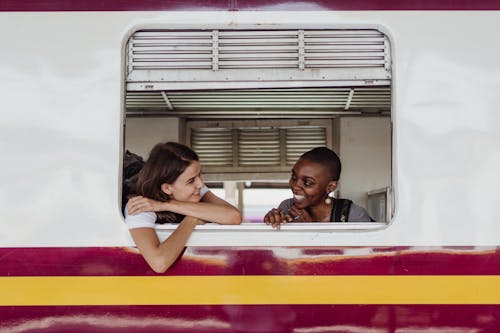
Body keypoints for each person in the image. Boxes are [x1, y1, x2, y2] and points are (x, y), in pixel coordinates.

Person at [124, 142, 242, 273]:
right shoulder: (140, 207)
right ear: (167, 188)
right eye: (191, 180)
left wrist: (166, 205)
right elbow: (159, 263)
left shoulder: (195, 190)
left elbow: (234, 216)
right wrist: (192, 218)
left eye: (200, 175)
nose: (201, 183)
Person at [264, 147, 372, 229]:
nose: (295, 186)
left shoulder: (353, 215)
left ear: (330, 187)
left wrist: (311, 228)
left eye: (307, 182)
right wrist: (273, 221)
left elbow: (359, 257)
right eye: (294, 177)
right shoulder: (287, 207)